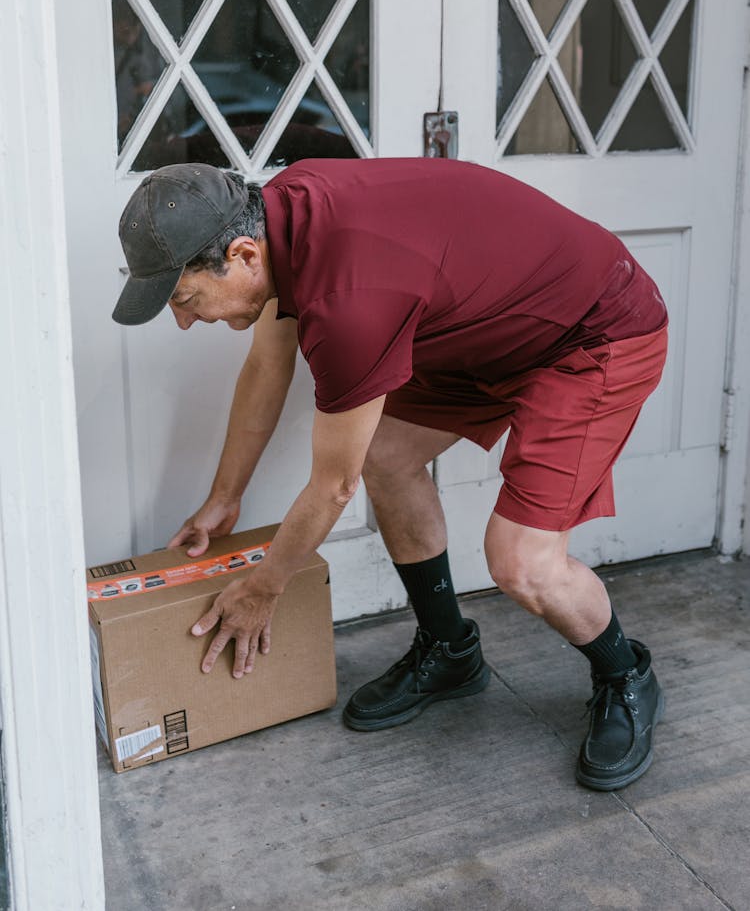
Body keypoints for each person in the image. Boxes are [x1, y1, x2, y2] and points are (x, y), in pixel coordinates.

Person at [113, 157, 668, 791]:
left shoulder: (348, 303)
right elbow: (269, 367)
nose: (184, 321)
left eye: (184, 299)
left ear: (241, 255)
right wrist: (224, 497)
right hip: (489, 330)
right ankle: (450, 650)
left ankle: (626, 676)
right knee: (385, 452)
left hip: (592, 333)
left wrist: (265, 588)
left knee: (523, 564)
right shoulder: (276, 216)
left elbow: (332, 487)